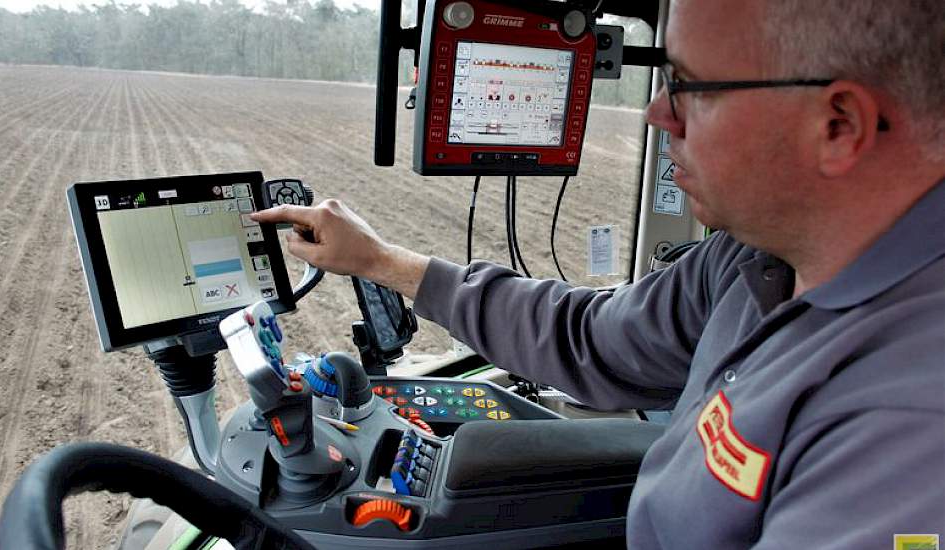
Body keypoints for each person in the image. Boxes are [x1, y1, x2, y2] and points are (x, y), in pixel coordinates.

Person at [252, 0, 945, 546]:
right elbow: (593, 339)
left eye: (692, 87)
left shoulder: (912, 427)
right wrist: (376, 260)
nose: (656, 111)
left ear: (838, 125)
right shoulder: (754, 255)